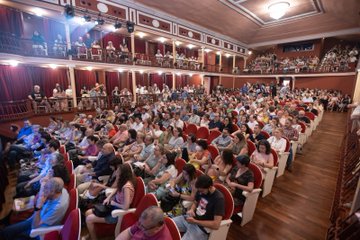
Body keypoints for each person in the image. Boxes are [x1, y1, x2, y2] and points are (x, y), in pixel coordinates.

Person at [0, 178, 69, 240]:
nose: (44, 189)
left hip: (39, 230)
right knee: (6, 232)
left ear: (53, 191)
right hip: (34, 219)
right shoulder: (61, 190)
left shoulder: (57, 207)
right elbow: (40, 196)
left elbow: (35, 226)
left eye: (46, 188)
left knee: (14, 236)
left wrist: (38, 207)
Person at [84, 164, 136, 240]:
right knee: (87, 212)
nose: (116, 172)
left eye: (118, 171)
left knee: (89, 218)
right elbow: (116, 189)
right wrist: (108, 198)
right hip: (112, 206)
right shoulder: (123, 181)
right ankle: (90, 235)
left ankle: (93, 238)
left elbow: (126, 206)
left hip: (116, 212)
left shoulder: (127, 187)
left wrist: (113, 203)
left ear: (122, 173)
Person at [172, 175, 225, 240]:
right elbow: (195, 202)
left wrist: (195, 221)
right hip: (191, 219)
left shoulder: (219, 199)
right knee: (166, 224)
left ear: (210, 187)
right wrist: (192, 209)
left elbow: (216, 225)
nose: (200, 193)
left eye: (202, 191)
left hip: (201, 228)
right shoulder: (201, 190)